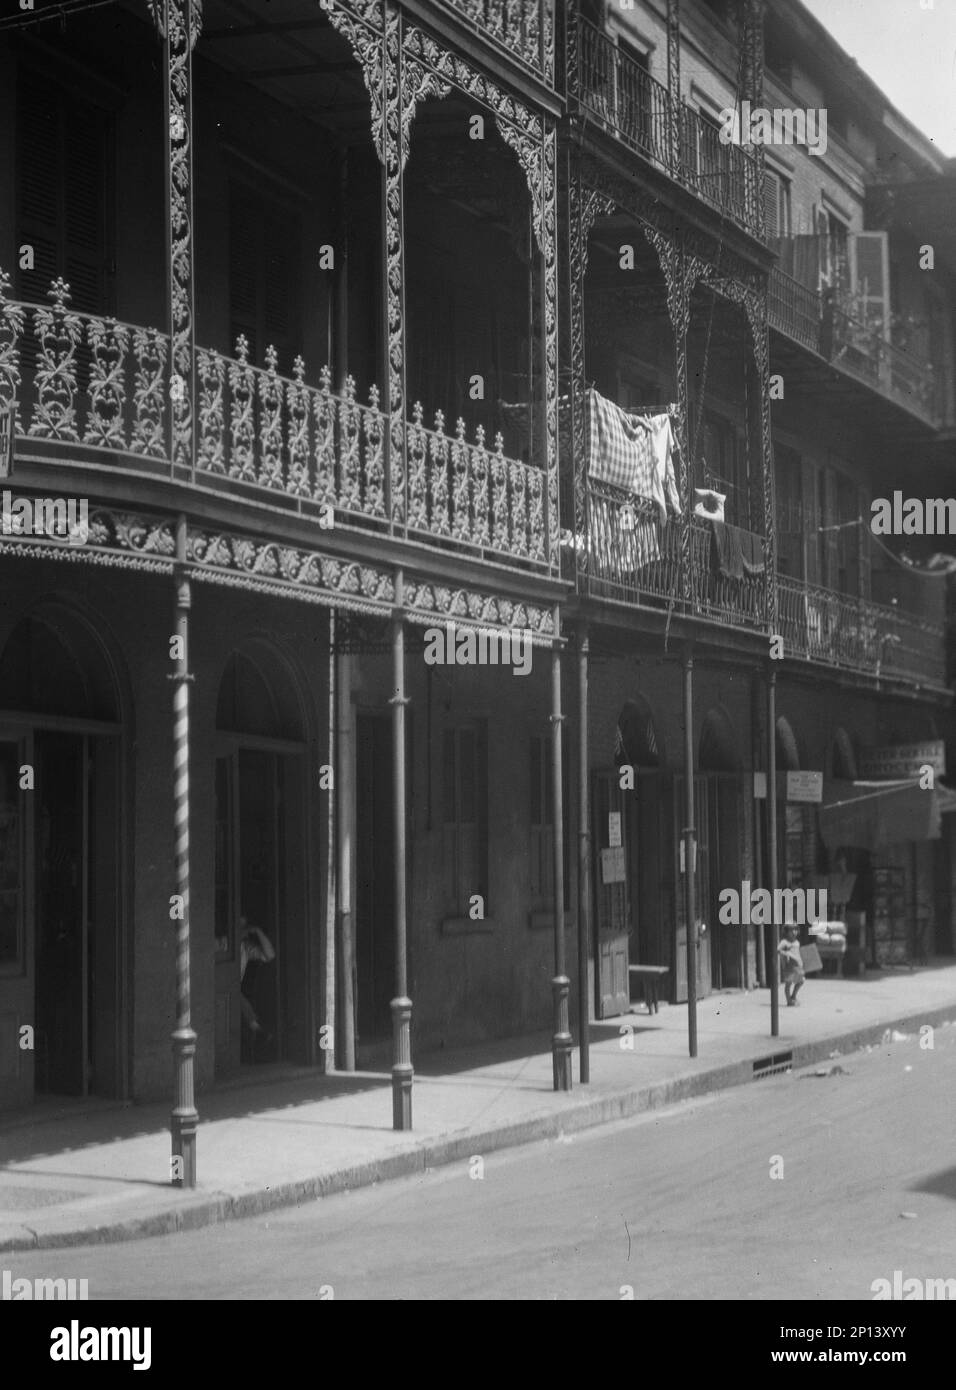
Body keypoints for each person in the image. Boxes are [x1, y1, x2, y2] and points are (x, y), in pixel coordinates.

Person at [778, 923, 805, 1006]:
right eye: (792, 930)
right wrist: (787, 953)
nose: (794, 932)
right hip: (789, 967)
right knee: (788, 984)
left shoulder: (797, 942)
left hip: (798, 967)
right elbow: (778, 950)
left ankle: (793, 996)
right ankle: (789, 1001)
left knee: (801, 981)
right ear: (786, 932)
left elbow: (798, 953)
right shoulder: (784, 942)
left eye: (796, 930)